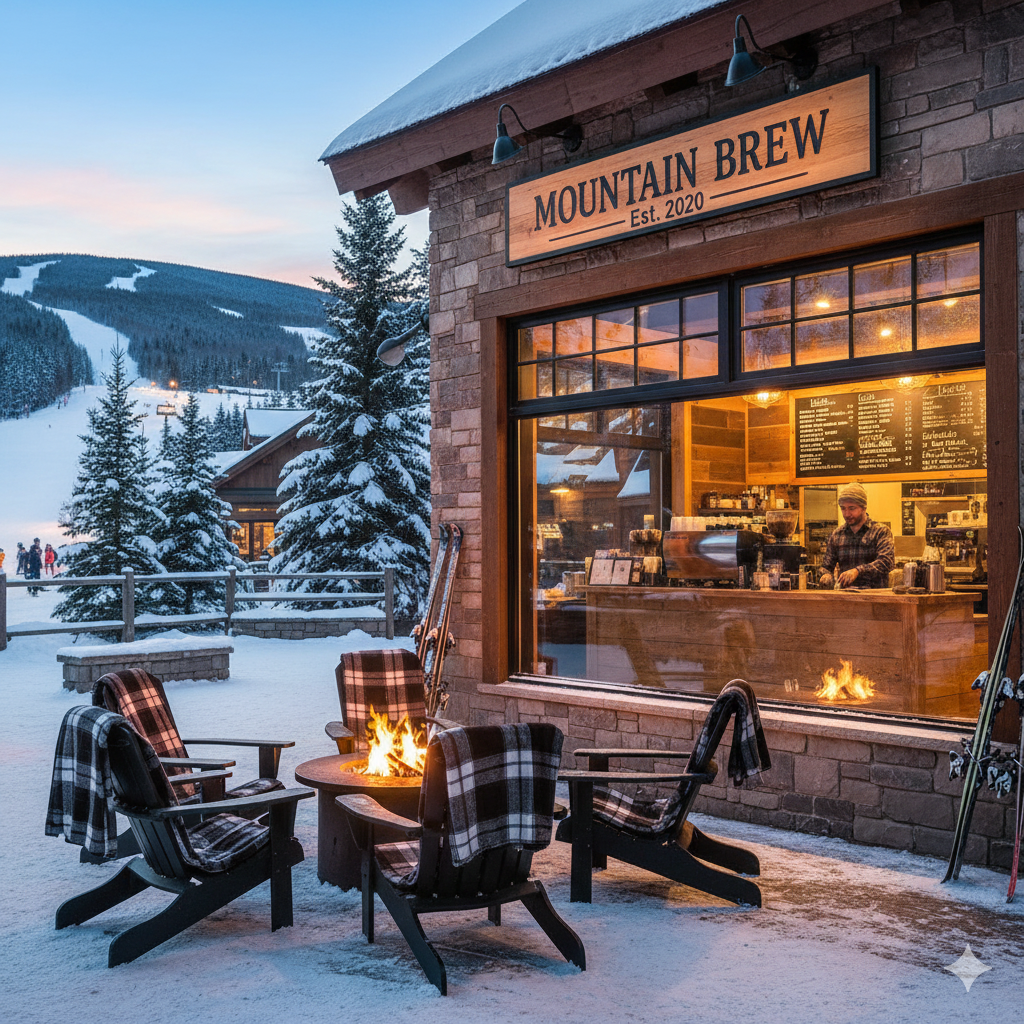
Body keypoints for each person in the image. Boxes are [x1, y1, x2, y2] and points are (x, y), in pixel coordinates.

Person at [818, 483, 895, 589]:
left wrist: (858, 571)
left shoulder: (880, 531)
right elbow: (827, 566)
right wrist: (825, 575)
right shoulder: (837, 535)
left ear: (864, 507)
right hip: (847, 599)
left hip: (875, 598)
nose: (846, 514)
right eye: (843, 508)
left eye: (852, 508)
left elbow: (886, 562)